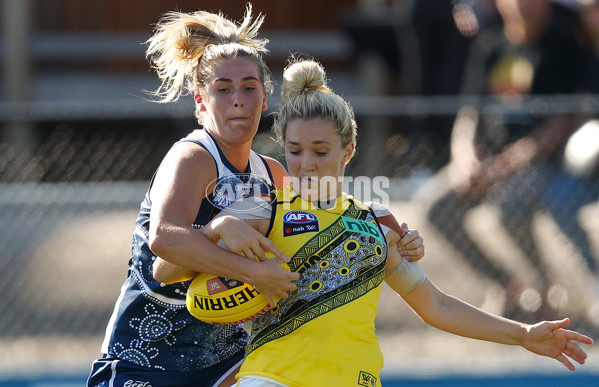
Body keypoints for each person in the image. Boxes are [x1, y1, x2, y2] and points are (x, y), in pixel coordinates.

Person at [154, 58, 593, 387]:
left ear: (347, 151)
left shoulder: (376, 225)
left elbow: (436, 307)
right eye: (295, 150)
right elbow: (166, 269)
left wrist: (523, 335)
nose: (305, 164)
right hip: (272, 379)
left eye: (320, 152)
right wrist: (216, 230)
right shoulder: (263, 209)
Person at [86, 6, 302, 387]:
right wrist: (233, 244)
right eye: (223, 89)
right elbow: (165, 239)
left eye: (249, 88)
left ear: (265, 98)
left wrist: (384, 234)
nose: (238, 99)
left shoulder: (274, 173)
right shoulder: (194, 156)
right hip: (147, 359)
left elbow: (304, 240)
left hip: (228, 361)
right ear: (200, 102)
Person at [426, 0, 588, 319]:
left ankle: (544, 290)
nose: (525, 5)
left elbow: (558, 124)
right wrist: (465, 159)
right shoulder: (490, 44)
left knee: (509, 209)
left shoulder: (564, 44)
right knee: (435, 209)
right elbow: (469, 114)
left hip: (542, 163)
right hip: (487, 162)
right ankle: (506, 285)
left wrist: (505, 165)